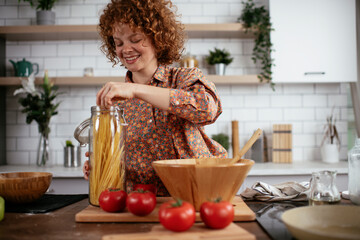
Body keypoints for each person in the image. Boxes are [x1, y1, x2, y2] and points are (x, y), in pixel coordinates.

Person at [83, 0, 227, 196]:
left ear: (157, 39)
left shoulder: (183, 78)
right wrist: (102, 165)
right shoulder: (117, 100)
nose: (125, 49)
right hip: (143, 201)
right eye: (119, 43)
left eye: (135, 39)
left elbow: (208, 109)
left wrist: (136, 90)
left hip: (196, 193)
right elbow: (121, 160)